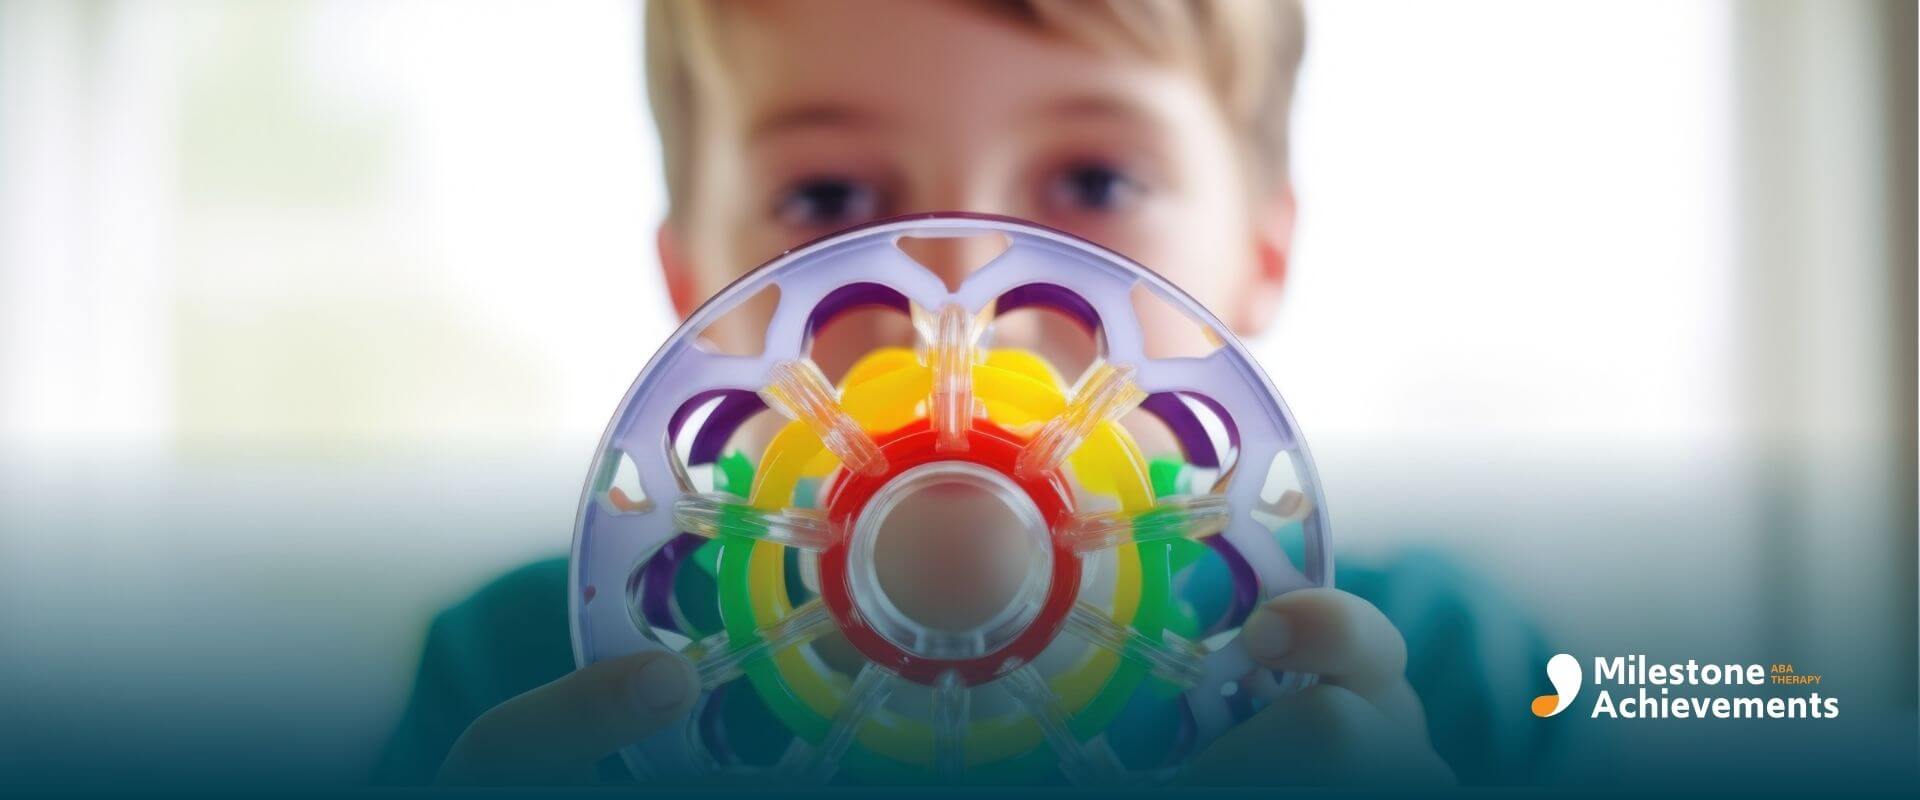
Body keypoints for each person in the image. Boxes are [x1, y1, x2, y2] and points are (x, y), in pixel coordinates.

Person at [375, 0, 1555, 786]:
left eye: (1094, 178)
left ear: (1262, 250)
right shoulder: (523, 676)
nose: (963, 295)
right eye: (829, 200)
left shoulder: (1451, 677)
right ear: (696, 290)